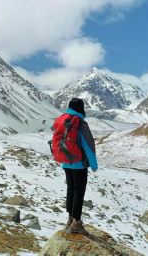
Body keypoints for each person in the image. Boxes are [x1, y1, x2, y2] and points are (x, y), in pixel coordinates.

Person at [50, 97, 98, 235]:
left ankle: (70, 219)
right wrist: (93, 165)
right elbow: (88, 146)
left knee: (71, 189)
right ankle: (76, 222)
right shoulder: (80, 123)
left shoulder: (63, 120)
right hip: (79, 164)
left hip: (66, 162)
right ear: (81, 109)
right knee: (79, 192)